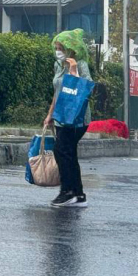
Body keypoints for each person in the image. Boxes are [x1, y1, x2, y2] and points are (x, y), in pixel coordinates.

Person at [43, 29, 93, 208]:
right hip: (61, 116)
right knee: (68, 152)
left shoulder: (80, 64)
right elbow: (57, 92)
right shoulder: (58, 65)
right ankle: (77, 194)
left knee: (62, 150)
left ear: (70, 49)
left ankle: (68, 191)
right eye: (56, 47)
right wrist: (50, 114)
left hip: (77, 118)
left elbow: (85, 88)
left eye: (61, 48)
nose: (58, 51)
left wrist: (73, 71)